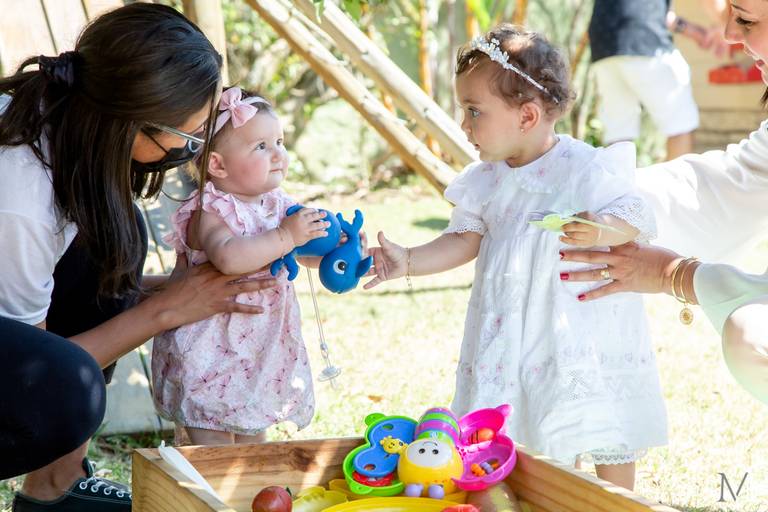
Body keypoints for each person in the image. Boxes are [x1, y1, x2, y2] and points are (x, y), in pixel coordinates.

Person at [365, 24, 668, 491]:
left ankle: (617, 500)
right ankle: (526, 495)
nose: (464, 126)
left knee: (604, 424)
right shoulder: (485, 179)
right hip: (510, 330)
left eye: (473, 112)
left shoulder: (585, 168)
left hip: (578, 330)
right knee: (513, 428)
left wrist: (601, 227)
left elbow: (637, 213)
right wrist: (407, 260)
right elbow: (464, 238)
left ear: (526, 116)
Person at [0, 5, 276, 511]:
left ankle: (55, 492)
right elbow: (31, 373)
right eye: (188, 135)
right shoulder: (20, 197)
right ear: (130, 122)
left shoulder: (63, 127)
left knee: (111, 249)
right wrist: (165, 311)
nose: (192, 149)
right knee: (66, 389)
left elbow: (58, 298)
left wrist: (167, 290)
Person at [562, 0, 768, 407]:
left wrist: (672, 274)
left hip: (618, 50)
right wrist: (613, 204)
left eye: (745, 18)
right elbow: (730, 181)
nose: (729, 33)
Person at [152, 87, 329, 446]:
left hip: (258, 352)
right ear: (217, 164)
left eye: (279, 141)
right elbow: (229, 257)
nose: (278, 154)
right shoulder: (209, 210)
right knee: (212, 456)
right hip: (209, 352)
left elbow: (298, 253)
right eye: (261, 147)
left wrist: (334, 250)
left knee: (252, 451)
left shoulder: (277, 205)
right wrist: (285, 236)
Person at [588, 0, 727, 161]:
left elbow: (654, 11)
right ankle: (678, 185)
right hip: (645, 38)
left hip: (604, 45)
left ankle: (618, 186)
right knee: (680, 124)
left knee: (619, 134)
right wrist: (725, 24)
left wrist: (695, 32)